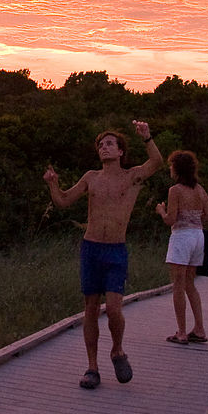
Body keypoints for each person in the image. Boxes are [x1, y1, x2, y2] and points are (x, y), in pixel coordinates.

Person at [43, 120, 163, 389]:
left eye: (109, 144)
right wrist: (53, 184)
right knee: (90, 308)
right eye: (100, 145)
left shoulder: (132, 176)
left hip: (116, 250)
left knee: (114, 309)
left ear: (120, 151)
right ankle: (92, 368)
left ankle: (117, 350)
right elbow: (63, 201)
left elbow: (156, 162)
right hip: (91, 248)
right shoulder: (91, 177)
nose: (104, 147)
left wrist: (147, 137)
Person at [155, 149, 208, 345]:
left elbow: (170, 219)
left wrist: (161, 211)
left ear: (177, 169)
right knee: (190, 283)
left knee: (178, 284)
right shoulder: (199, 189)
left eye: (171, 166)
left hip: (182, 237)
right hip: (198, 236)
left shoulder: (175, 190)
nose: (170, 169)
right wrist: (194, 219)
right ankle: (199, 329)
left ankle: (181, 332)